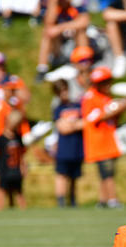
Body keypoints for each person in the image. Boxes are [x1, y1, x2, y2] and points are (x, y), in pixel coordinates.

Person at [81, 66, 126, 208]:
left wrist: (120, 110)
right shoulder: (90, 97)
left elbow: (113, 119)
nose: (107, 85)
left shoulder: (105, 98)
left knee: (106, 173)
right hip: (99, 142)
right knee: (107, 173)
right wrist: (119, 108)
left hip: (108, 140)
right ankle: (112, 199)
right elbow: (95, 118)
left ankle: (103, 200)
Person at [36, 0, 90, 82]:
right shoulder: (55, 4)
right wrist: (53, 4)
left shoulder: (76, 3)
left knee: (81, 32)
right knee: (47, 33)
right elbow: (48, 23)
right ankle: (42, 69)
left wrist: (60, 27)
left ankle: (84, 65)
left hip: (75, 39)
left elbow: (84, 22)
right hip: (60, 43)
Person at [52, 79, 84, 208]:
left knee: (74, 177)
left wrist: (71, 125)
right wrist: (75, 124)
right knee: (62, 174)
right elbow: (62, 127)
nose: (64, 93)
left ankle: (73, 199)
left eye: (65, 90)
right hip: (63, 148)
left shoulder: (77, 106)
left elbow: (84, 123)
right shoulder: (58, 108)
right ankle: (61, 201)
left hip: (77, 146)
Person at [0, 110, 27, 210]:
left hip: (15, 168)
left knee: (18, 190)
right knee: (1, 189)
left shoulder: (18, 137)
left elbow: (21, 154)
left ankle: (22, 209)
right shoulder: (0, 139)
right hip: (4, 168)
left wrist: (23, 166)